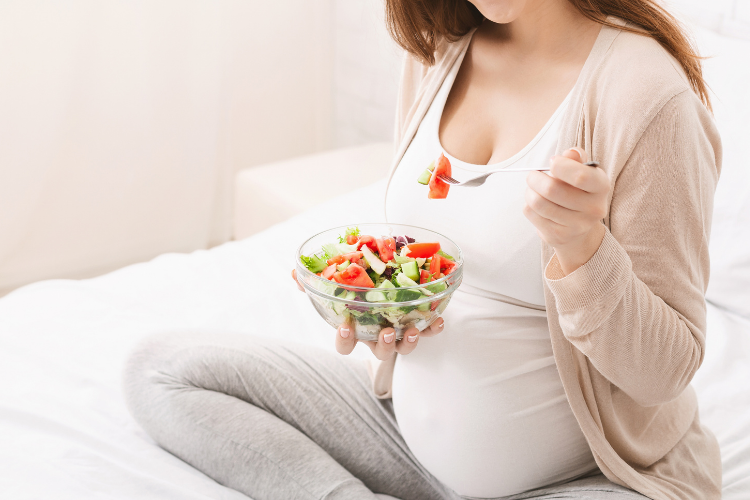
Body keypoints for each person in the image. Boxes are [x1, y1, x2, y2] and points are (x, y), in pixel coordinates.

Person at [123, 0, 722, 498]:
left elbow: (664, 372)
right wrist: (384, 312)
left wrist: (584, 250)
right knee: (161, 370)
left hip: (588, 474)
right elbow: (430, 253)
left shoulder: (645, 95)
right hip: (405, 440)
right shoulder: (440, 49)